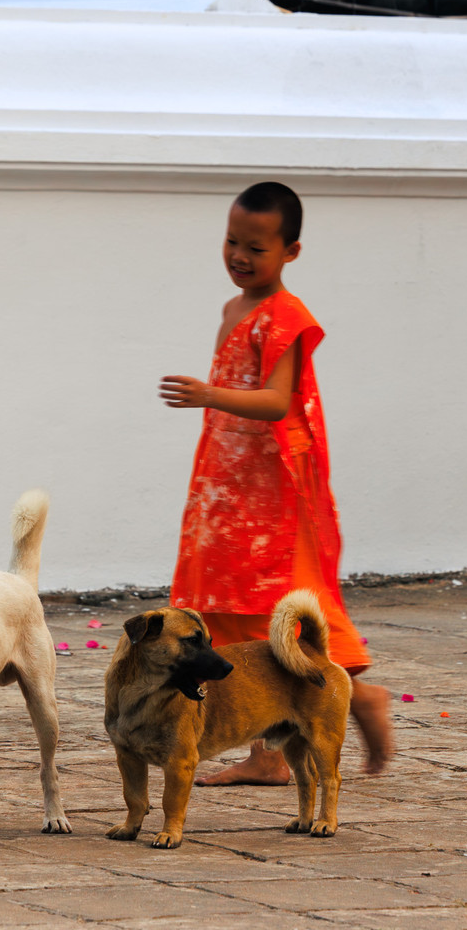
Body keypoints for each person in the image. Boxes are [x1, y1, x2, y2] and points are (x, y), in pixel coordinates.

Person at [160, 181, 393, 782]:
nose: (239, 256)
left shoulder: (283, 316)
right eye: (232, 241)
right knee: (229, 613)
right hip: (226, 483)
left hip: (269, 496)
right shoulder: (232, 310)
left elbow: (277, 401)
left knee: (279, 607)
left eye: (256, 248)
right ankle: (267, 756)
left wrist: (209, 395)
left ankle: (357, 694)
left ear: (291, 251)